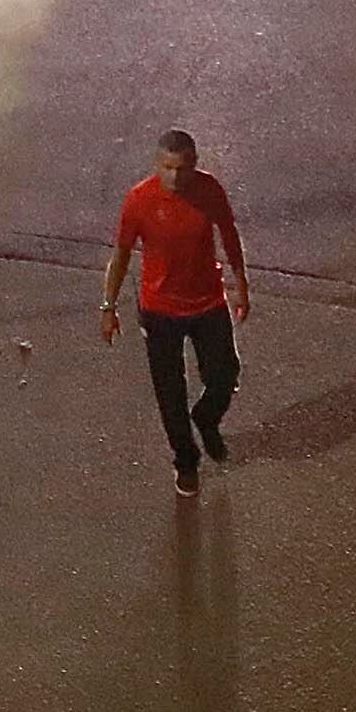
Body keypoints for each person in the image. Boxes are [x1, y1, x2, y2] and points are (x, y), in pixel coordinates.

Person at [100, 129, 251, 496]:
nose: (174, 176)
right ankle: (186, 461)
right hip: (160, 309)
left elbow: (229, 235)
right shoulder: (139, 200)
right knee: (170, 392)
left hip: (207, 302)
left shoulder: (209, 190)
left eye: (182, 168)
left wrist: (241, 283)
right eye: (167, 168)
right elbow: (121, 256)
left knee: (224, 373)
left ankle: (206, 417)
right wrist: (109, 306)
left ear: (194, 164)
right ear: (157, 164)